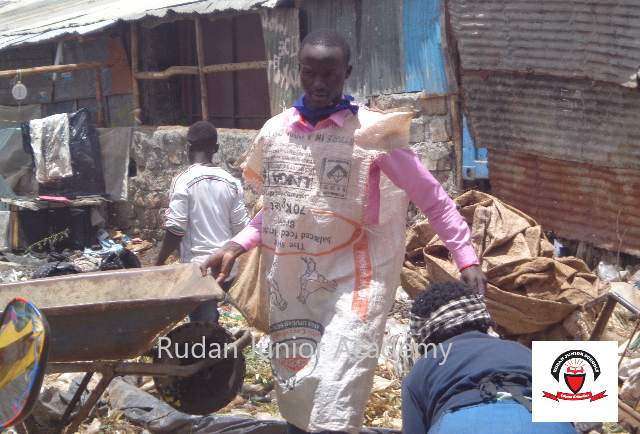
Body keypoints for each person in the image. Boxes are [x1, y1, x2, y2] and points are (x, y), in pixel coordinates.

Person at [201, 30, 487, 433]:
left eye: (330, 74)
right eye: (309, 73)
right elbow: (279, 209)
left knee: (341, 381)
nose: (319, 84)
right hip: (293, 278)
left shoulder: (374, 134)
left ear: (346, 73)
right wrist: (236, 244)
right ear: (297, 71)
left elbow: (432, 198)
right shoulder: (275, 132)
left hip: (356, 282)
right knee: (297, 384)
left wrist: (466, 256)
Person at [402, 281, 577, 434]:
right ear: (484, 323)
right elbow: (571, 418)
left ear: (428, 340)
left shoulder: (421, 369)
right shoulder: (524, 351)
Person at [155, 121, 250, 322]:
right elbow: (241, 228)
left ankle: (208, 350)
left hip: (199, 268)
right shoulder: (231, 182)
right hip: (226, 269)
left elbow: (176, 228)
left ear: (188, 146)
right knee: (208, 319)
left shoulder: (183, 180)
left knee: (202, 327)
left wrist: (159, 262)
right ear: (216, 149)